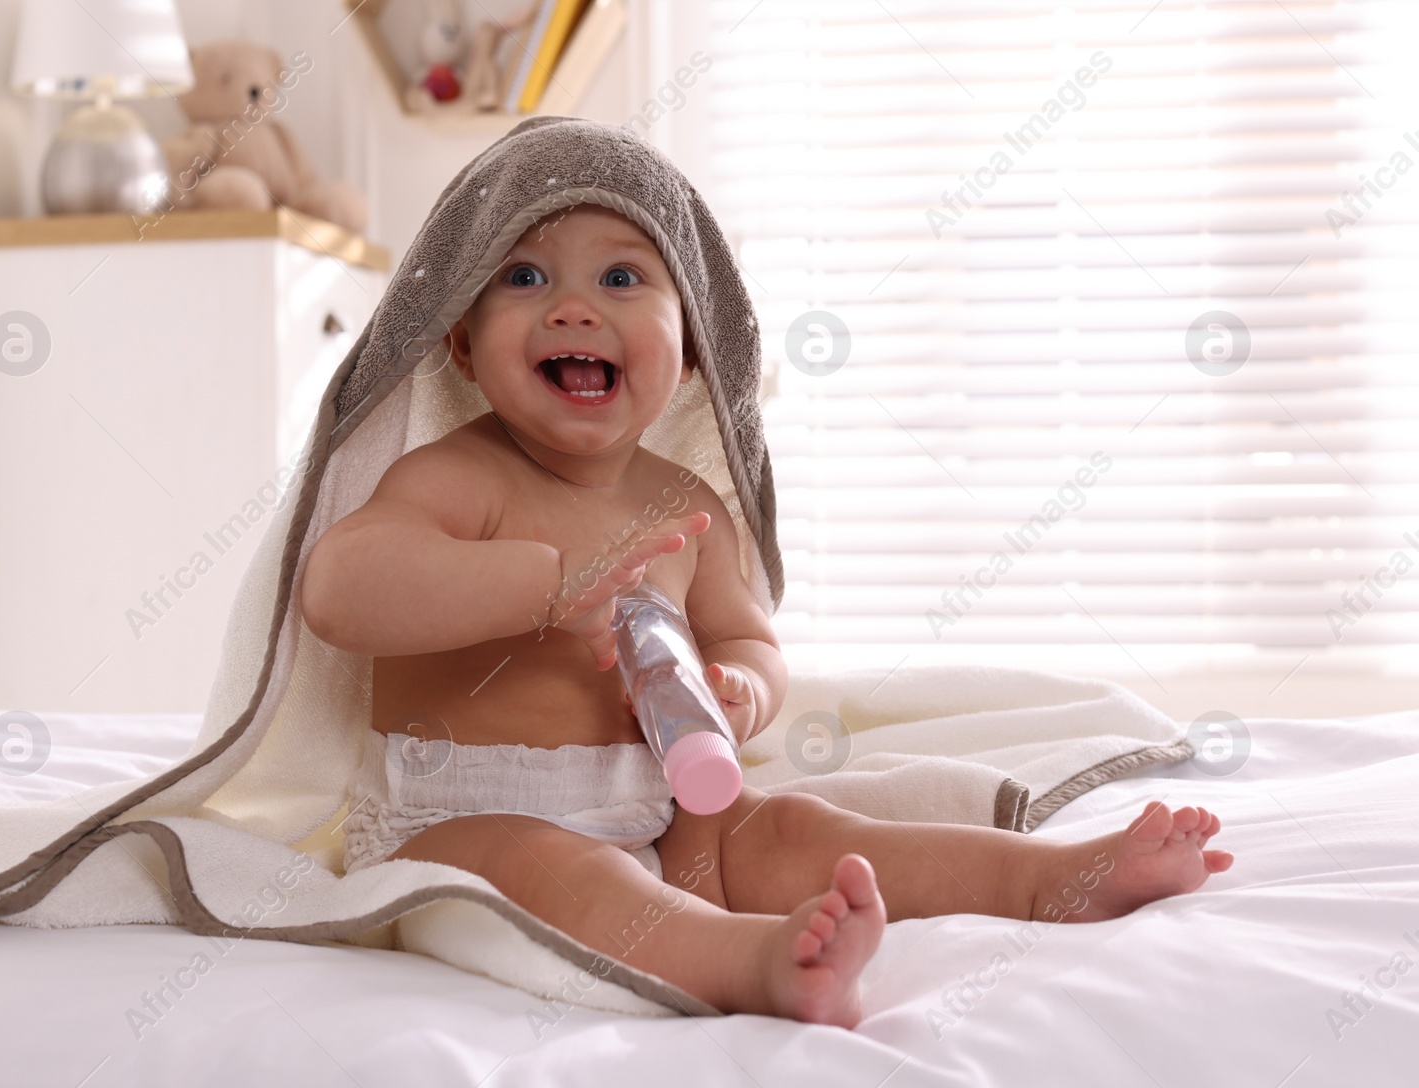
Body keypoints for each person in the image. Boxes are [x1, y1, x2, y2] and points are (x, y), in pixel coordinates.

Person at [300, 200, 1231, 1028]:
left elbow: (748, 637)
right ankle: (750, 963)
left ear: (694, 342)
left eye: (621, 276)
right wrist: (539, 587)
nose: (573, 307)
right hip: (460, 823)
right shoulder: (456, 479)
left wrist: (739, 688)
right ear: (461, 340)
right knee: (579, 876)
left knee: (799, 832)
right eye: (525, 276)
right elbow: (340, 590)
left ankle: (1046, 878)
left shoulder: (686, 506)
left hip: (662, 811)